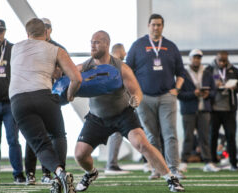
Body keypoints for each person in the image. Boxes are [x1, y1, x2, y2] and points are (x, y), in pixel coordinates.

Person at [74, 30, 184, 192]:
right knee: (79, 155)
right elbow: (68, 76)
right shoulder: (85, 66)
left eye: (97, 42)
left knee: (142, 144)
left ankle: (171, 178)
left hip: (122, 115)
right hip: (97, 118)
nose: (92, 45)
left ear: (106, 44)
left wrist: (136, 99)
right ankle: (90, 173)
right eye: (91, 42)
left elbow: (136, 91)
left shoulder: (121, 68)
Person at [9, 18, 82, 193]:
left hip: (18, 100)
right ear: (46, 33)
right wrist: (70, 94)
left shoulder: (14, 48)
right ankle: (59, 178)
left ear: (27, 34)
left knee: (40, 145)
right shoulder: (55, 49)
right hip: (43, 95)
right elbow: (76, 78)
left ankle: (59, 173)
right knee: (58, 135)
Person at [126, 13, 186, 179]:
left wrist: (177, 89)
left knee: (170, 133)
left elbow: (181, 72)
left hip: (167, 96)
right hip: (144, 98)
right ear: (148, 25)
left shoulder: (171, 46)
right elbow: (127, 70)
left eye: (159, 25)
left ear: (162, 26)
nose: (156, 27)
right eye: (153, 24)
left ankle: (174, 168)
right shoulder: (138, 45)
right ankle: (157, 169)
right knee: (151, 135)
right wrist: (133, 92)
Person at [24, 17, 68, 185]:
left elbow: (67, 74)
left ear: (51, 29)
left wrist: (59, 75)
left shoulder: (58, 49)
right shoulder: (28, 49)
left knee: (54, 135)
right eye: (43, 27)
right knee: (33, 135)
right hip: (33, 94)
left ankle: (49, 173)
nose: (46, 30)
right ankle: (30, 173)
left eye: (48, 27)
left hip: (52, 97)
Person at [0, 19, 25, 184]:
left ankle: (18, 173)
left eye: (1, 31)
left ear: (5, 31)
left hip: (10, 103)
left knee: (13, 139)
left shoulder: (13, 49)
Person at [177, 49, 220, 172]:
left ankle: (208, 162)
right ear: (190, 59)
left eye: (199, 58)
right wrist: (193, 94)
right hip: (188, 110)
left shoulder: (207, 72)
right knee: (188, 137)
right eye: (194, 57)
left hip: (204, 110)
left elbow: (214, 90)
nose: (197, 60)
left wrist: (208, 94)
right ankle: (184, 162)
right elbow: (179, 94)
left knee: (205, 138)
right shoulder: (183, 74)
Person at [205, 51, 238, 171]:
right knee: (212, 136)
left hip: (229, 110)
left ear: (227, 59)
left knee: (231, 136)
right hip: (214, 109)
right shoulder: (208, 70)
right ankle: (212, 162)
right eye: (220, 60)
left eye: (224, 60)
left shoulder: (234, 70)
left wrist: (234, 87)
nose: (222, 63)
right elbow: (204, 88)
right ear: (216, 59)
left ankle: (233, 163)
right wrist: (214, 86)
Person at [105, 43, 129, 174]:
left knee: (117, 134)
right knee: (117, 133)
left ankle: (112, 163)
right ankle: (111, 164)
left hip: (107, 105)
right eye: (124, 51)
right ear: (119, 51)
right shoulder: (118, 65)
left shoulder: (107, 63)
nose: (126, 54)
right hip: (114, 105)